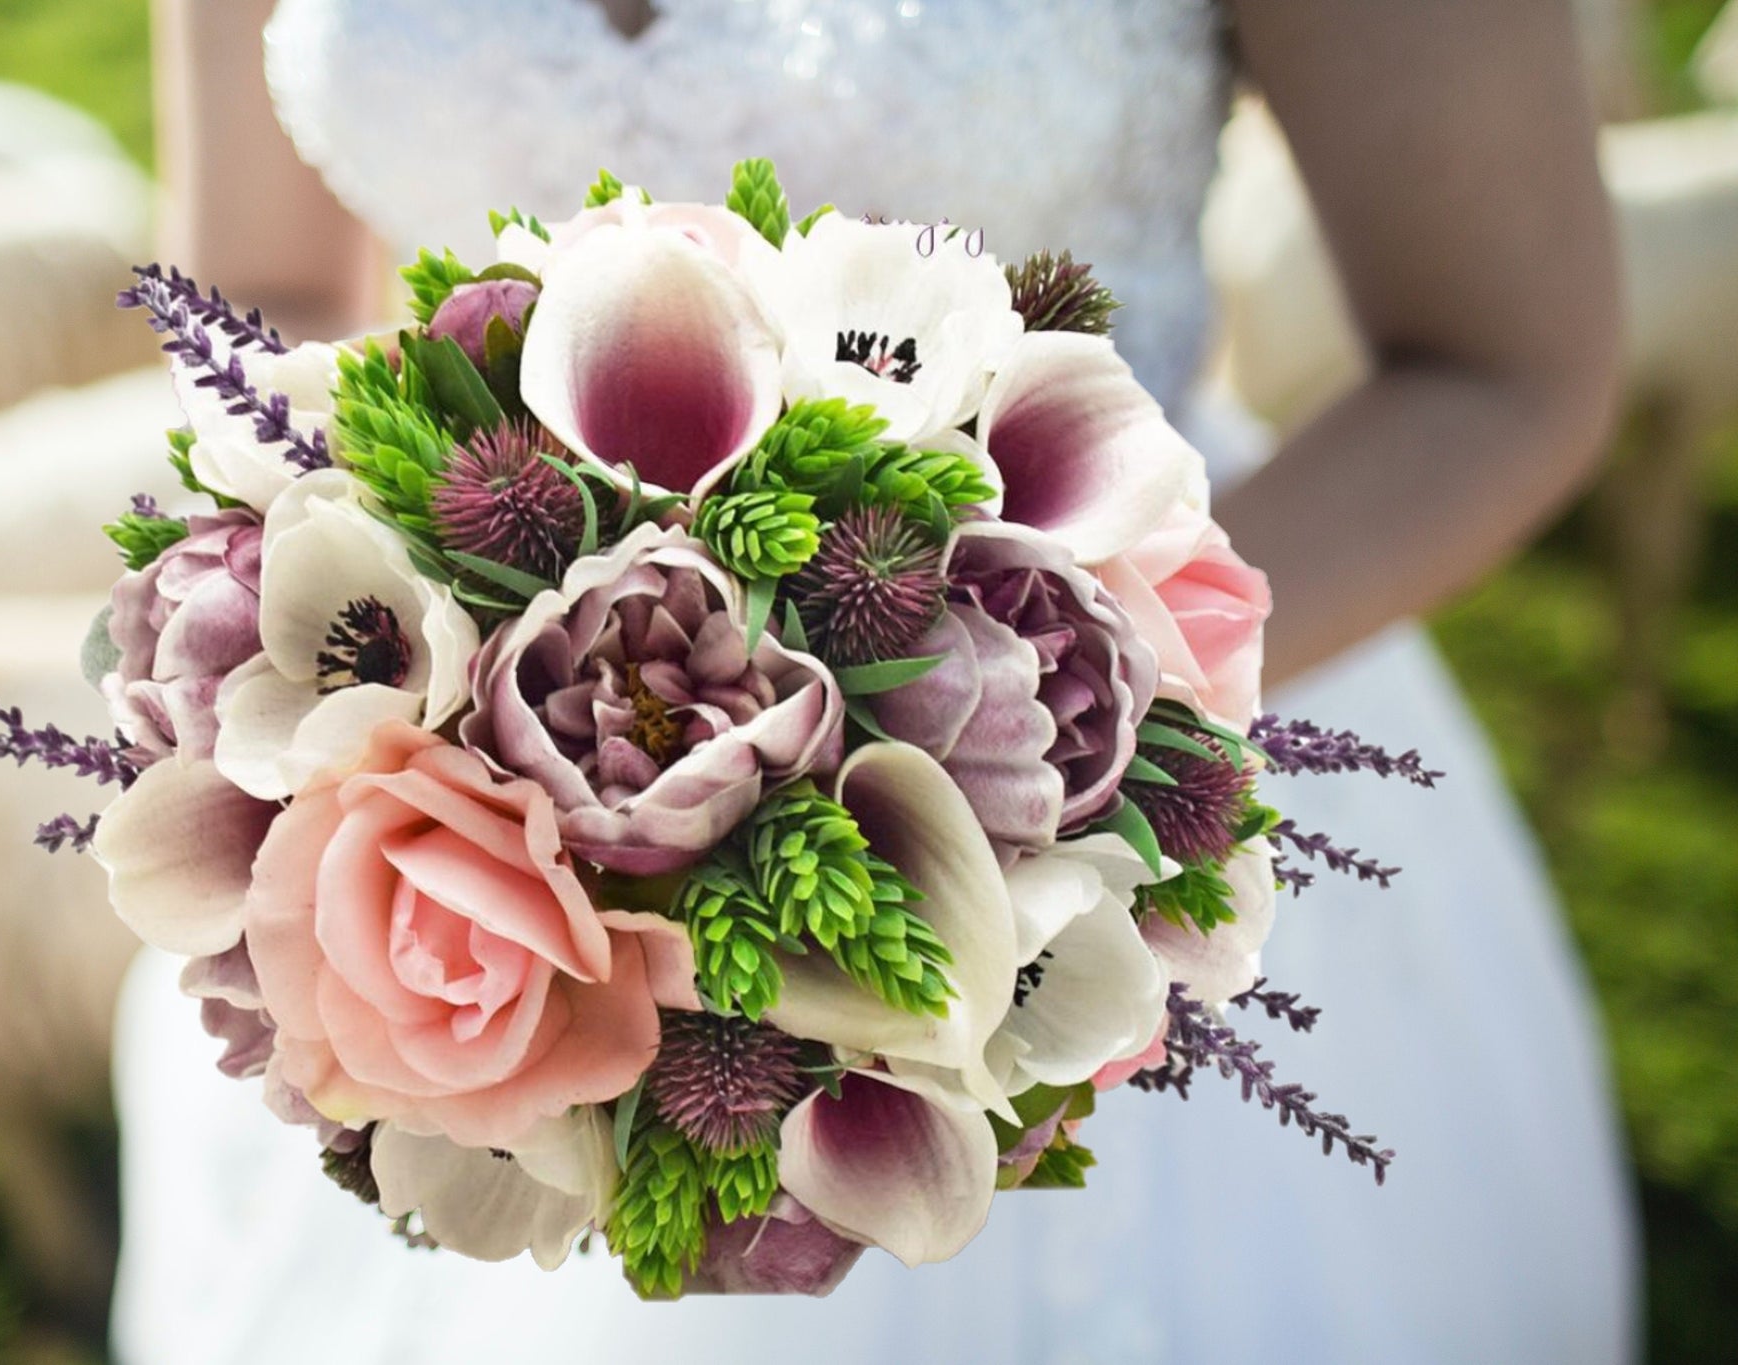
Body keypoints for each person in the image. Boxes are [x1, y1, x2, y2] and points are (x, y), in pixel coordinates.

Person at [113, 1, 1639, 1361]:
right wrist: (411, 663)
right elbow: (256, 291)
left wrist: (1019, 735)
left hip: (1079, 753)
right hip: (456, 809)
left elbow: (1498, 360)